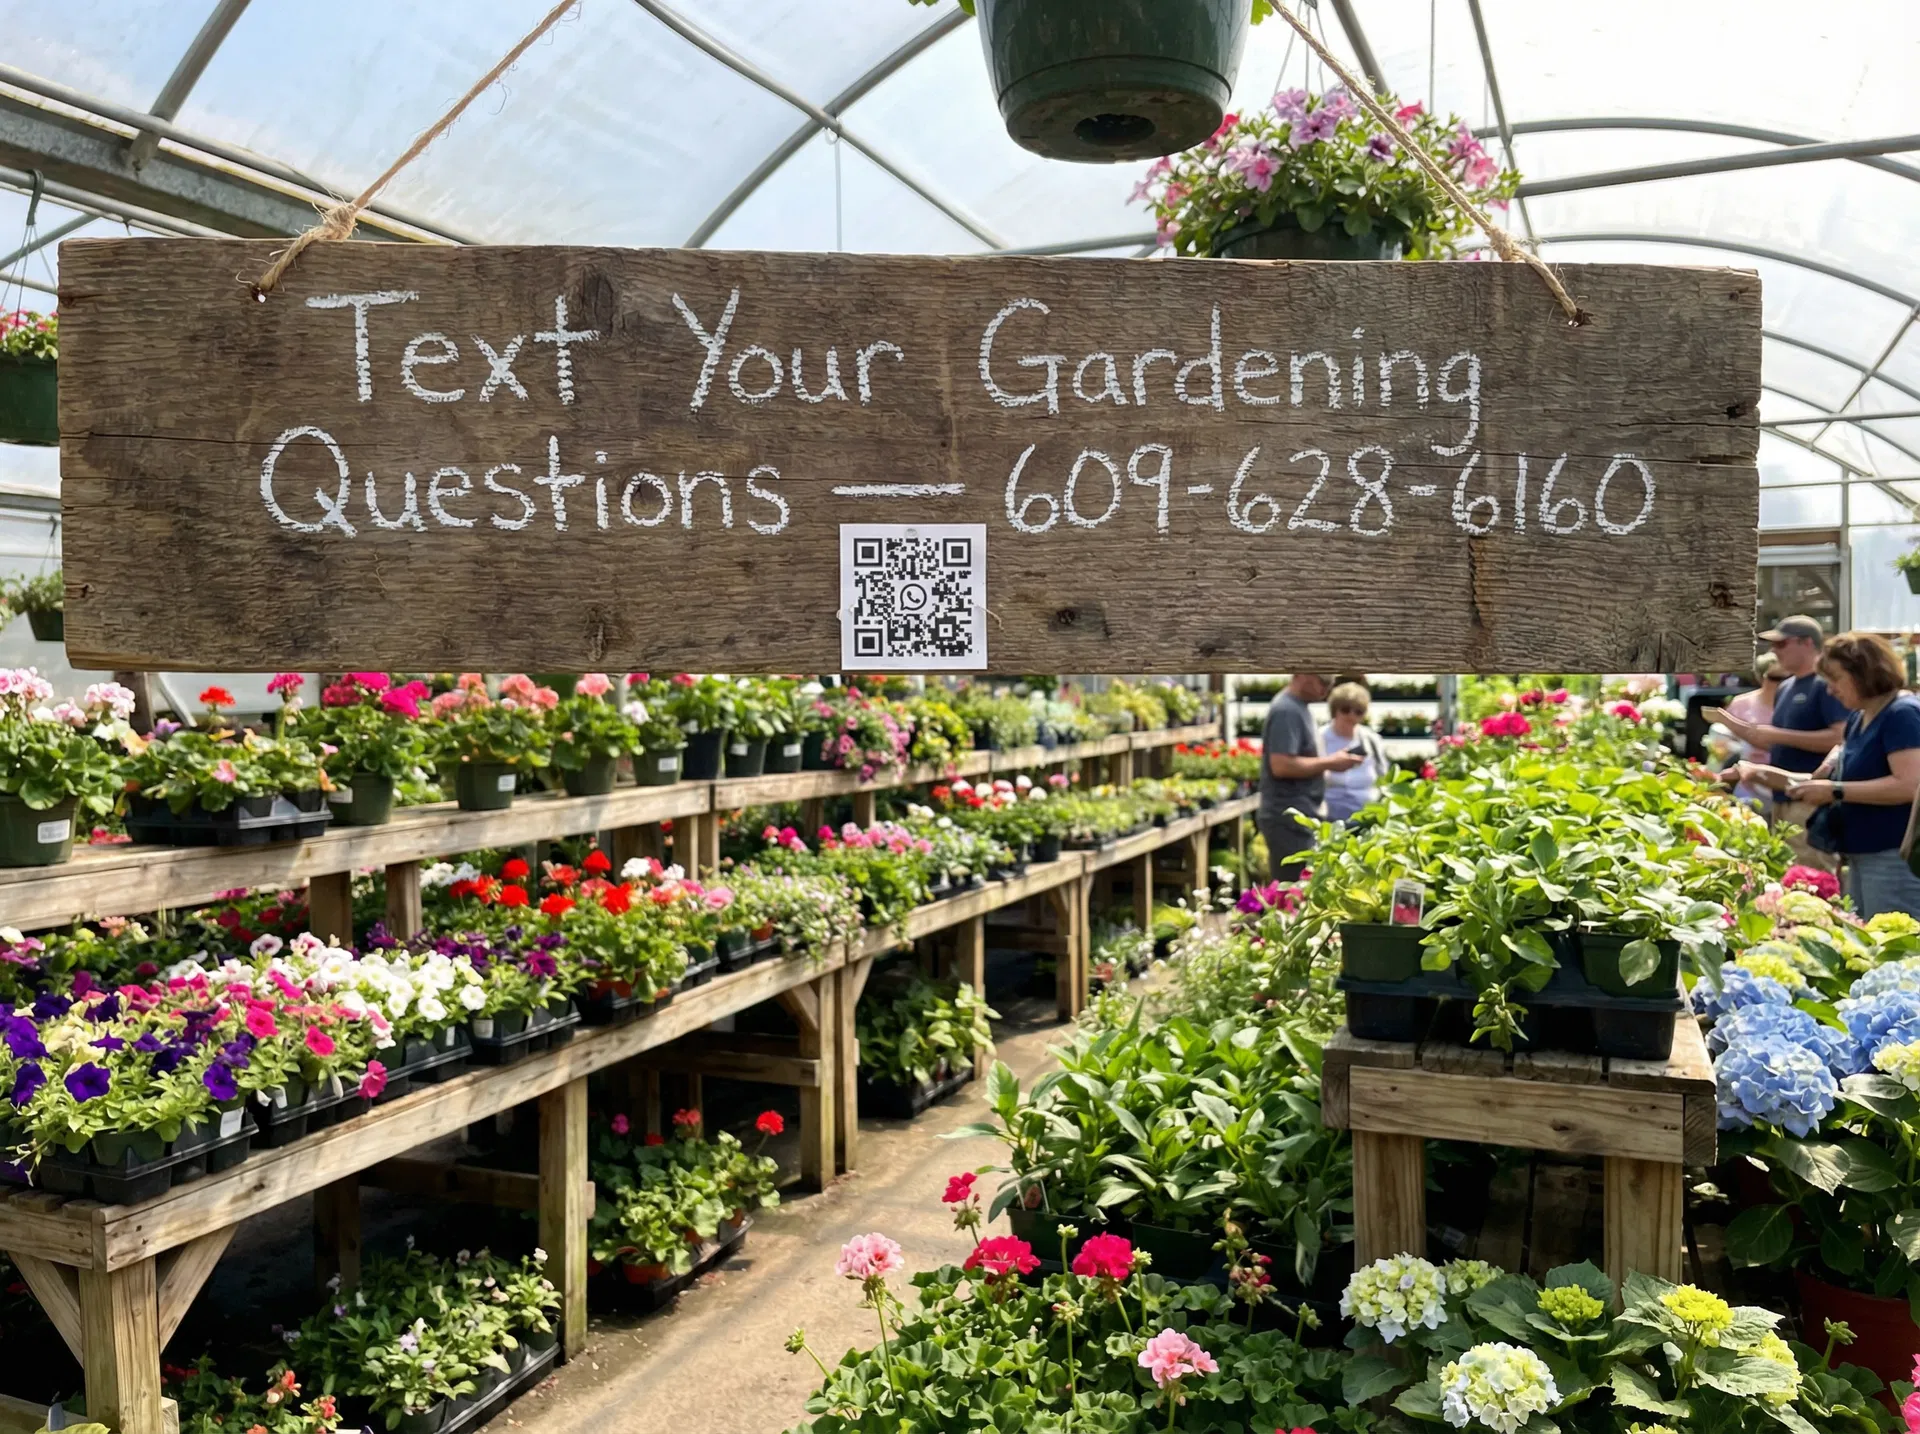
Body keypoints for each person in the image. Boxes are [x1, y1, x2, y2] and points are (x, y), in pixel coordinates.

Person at [1784, 631, 1920, 919]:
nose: (1830, 690)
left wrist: (1836, 790)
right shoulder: (1859, 717)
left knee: (1896, 950)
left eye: (1835, 679)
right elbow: (1846, 754)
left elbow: (1909, 784)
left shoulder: (1902, 714)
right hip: (1859, 855)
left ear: (1865, 673)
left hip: (1892, 858)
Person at [1717, 615, 1848, 870]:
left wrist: (1776, 735)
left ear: (1807, 643)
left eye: (1782, 644)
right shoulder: (1786, 687)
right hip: (1781, 797)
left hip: (1812, 800)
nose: (1774, 651)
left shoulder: (1826, 685)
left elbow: (1839, 738)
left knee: (1812, 872)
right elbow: (1782, 746)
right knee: (1788, 870)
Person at [1258, 672, 1364, 881]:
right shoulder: (1286, 710)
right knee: (1291, 892)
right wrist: (1331, 762)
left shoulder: (1298, 707)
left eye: (1330, 684)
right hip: (1288, 818)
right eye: (1322, 681)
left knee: (1300, 888)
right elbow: (1280, 765)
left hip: (1299, 817)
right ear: (1301, 673)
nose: (1326, 689)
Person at [1320, 682, 1389, 822]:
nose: (1352, 715)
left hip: (1367, 816)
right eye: (1346, 709)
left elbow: (1384, 777)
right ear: (1335, 710)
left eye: (1358, 711)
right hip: (1328, 816)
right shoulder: (1319, 738)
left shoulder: (1371, 739)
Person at [1725, 654, 1783, 806]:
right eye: (1774, 678)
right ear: (1761, 677)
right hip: (1747, 784)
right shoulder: (1740, 704)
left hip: (1784, 782)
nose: (1780, 683)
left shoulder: (1795, 706)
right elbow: (1723, 742)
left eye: (1786, 678)